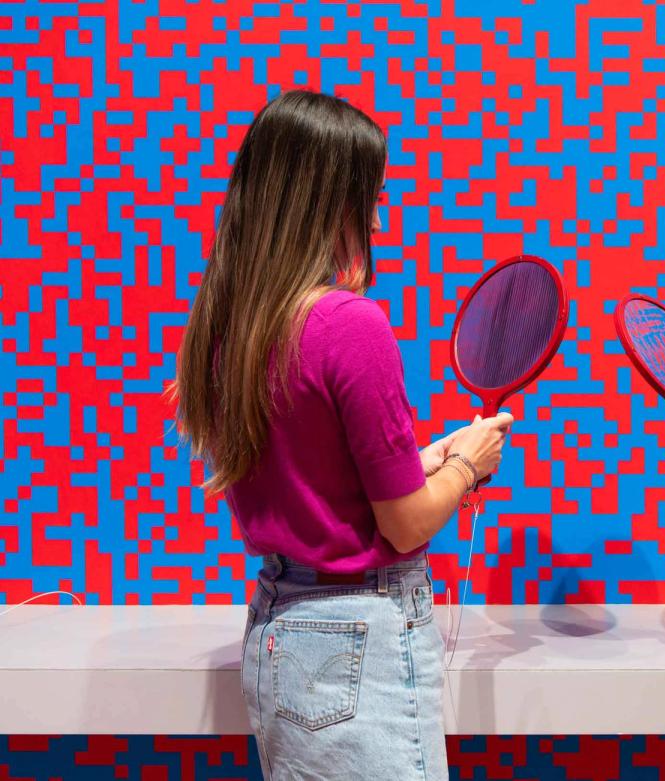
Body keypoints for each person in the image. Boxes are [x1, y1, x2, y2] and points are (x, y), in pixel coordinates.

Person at [173, 89, 511, 780]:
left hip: (277, 628)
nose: (379, 216)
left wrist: (431, 457)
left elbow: (320, 482)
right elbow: (407, 522)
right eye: (370, 195)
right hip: (360, 633)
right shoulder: (350, 325)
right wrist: (469, 466)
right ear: (328, 200)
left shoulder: (226, 331)